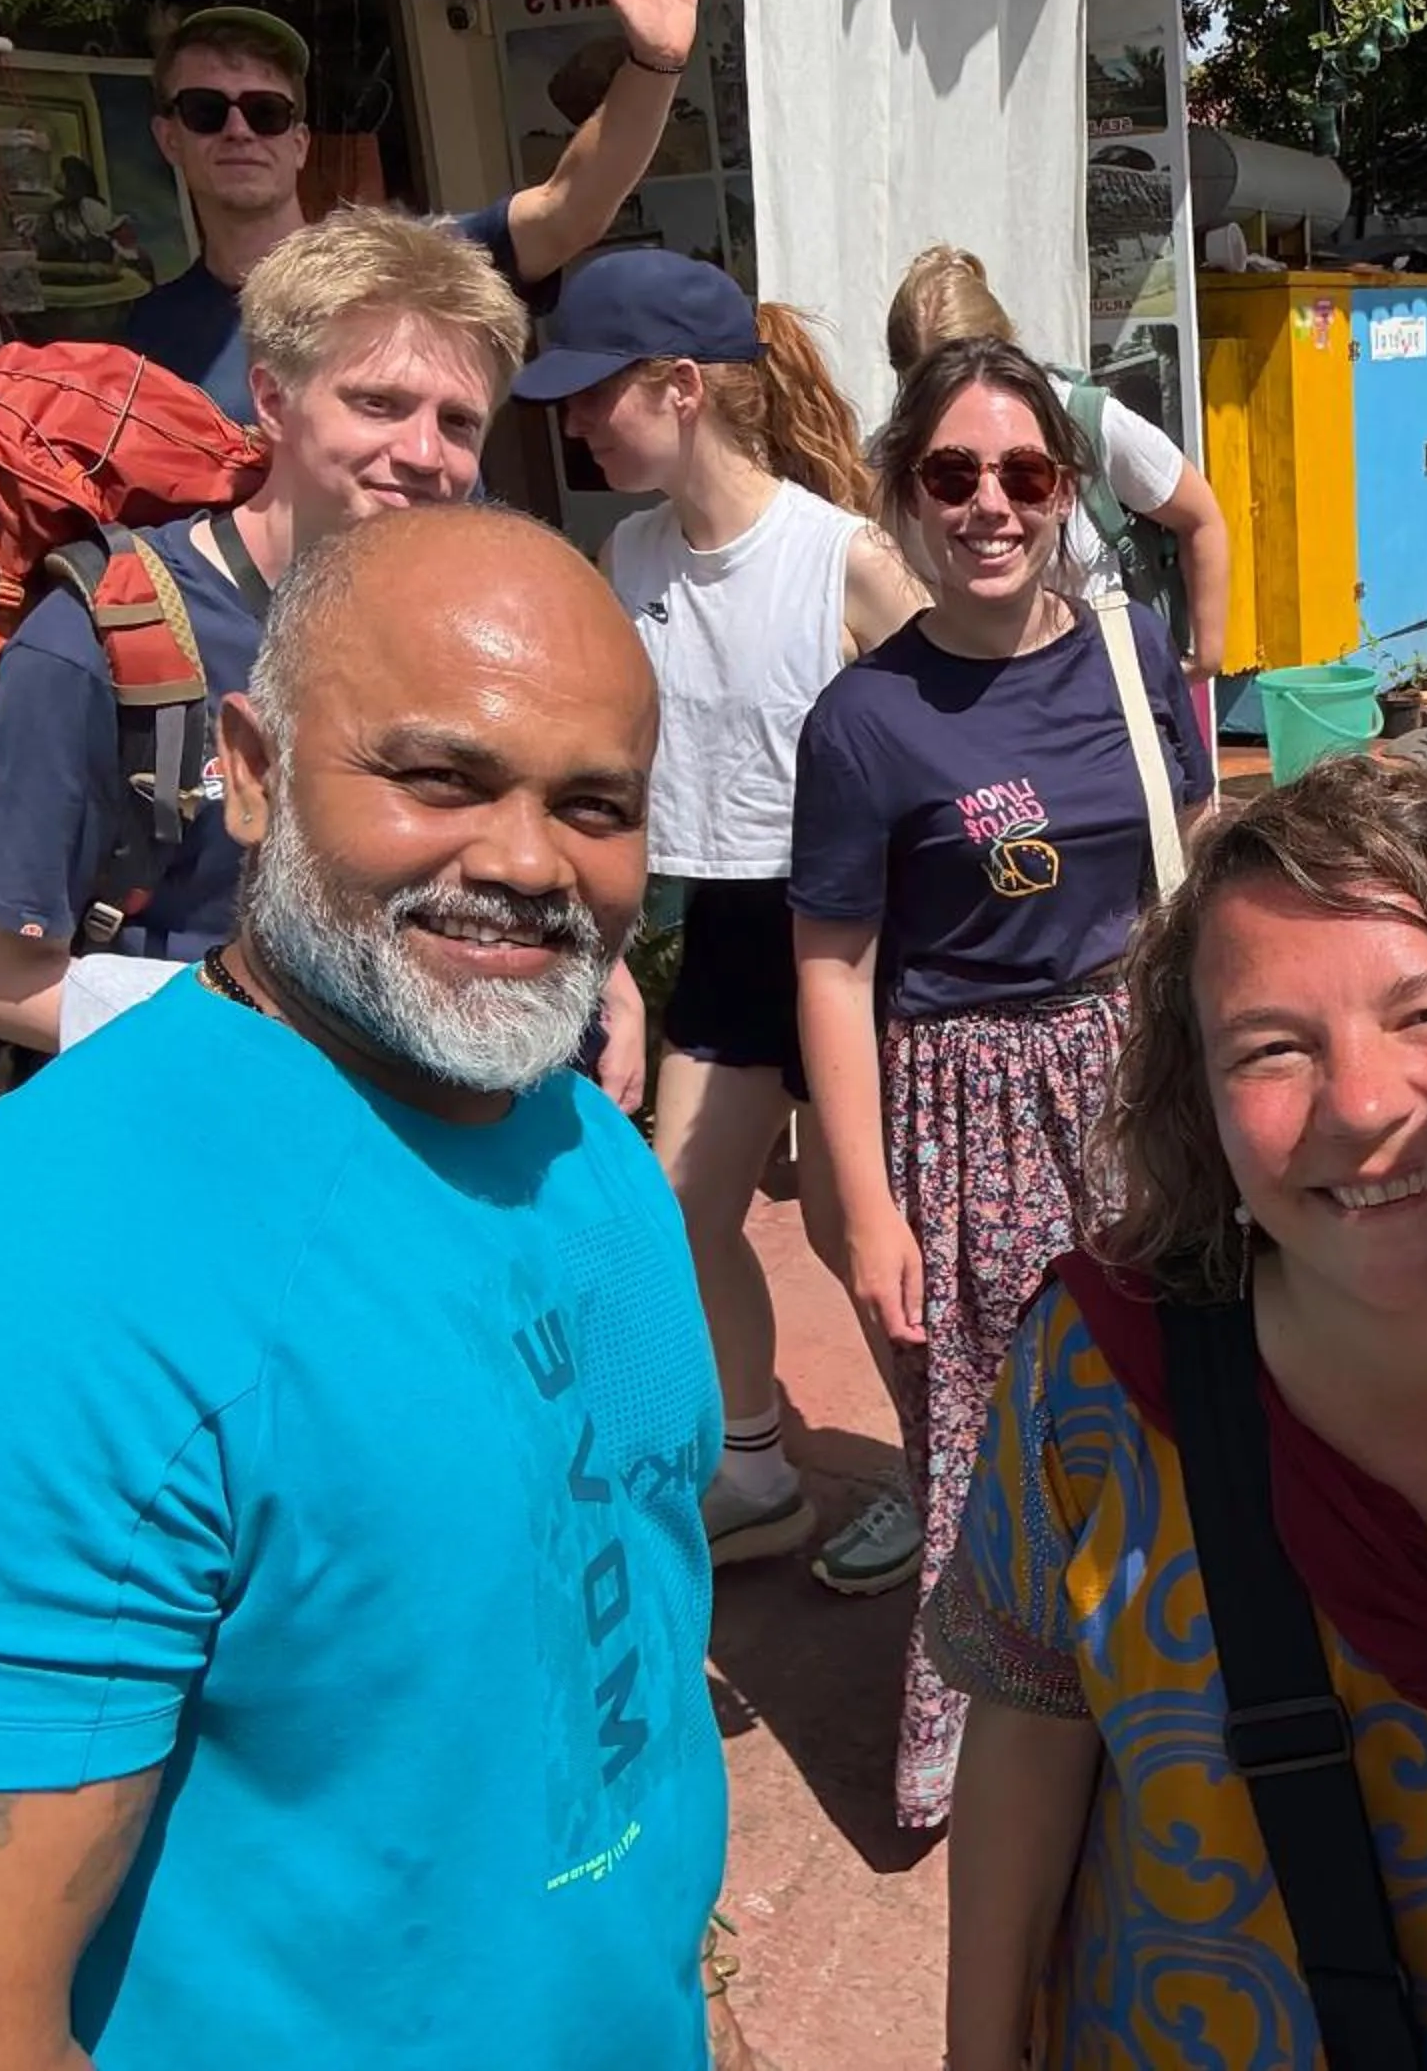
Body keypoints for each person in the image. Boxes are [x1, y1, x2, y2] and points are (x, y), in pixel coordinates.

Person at [0, 503, 728, 2071]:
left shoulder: (558, 1122)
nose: (529, 862)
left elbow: (601, 1689)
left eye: (594, 802)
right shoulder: (8, 1311)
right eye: (440, 775)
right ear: (252, 772)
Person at [933, 756, 1427, 2064]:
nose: (1362, 1106)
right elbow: (1028, 1735)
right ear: (1199, 1103)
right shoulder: (1099, 1374)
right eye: (1273, 1048)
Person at [792, 334, 1211, 1828]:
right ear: (907, 492)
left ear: (1066, 491)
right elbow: (833, 966)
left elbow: (1189, 853)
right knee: (986, 1439)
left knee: (1175, 1403)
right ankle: (995, 1765)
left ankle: (1156, 1702)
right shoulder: (863, 720)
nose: (991, 504)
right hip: (960, 1112)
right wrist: (864, 1204)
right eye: (954, 474)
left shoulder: (1131, 652)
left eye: (1025, 472)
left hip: (1136, 1072)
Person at [507, 247, 929, 1593]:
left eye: (594, 394)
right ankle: (755, 1467)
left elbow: (951, 754)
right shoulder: (621, 556)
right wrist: (604, 954)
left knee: (857, 1230)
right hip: (733, 930)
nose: (573, 423)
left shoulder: (842, 557)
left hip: (865, 936)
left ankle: (948, 1478)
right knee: (683, 1203)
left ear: (681, 388)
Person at [0, 205, 530, 1062]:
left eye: (458, 422)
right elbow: (0, 980)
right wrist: (284, 1050)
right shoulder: (98, 644)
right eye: (379, 403)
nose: (423, 453)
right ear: (272, 399)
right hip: (191, 1122)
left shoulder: (455, 622)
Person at [125, 0, 715, 422]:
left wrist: (654, 64)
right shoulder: (147, 339)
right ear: (167, 136)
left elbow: (570, 208)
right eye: (206, 109)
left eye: (266, 112)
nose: (238, 130)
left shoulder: (413, 266)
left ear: (299, 142)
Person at [883, 244, 1230, 678]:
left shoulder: (1086, 421)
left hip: (1098, 681)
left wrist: (1205, 658)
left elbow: (1200, 516)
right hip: (957, 696)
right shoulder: (892, 456)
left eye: (1025, 475)